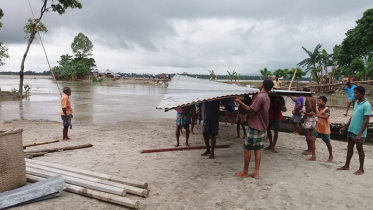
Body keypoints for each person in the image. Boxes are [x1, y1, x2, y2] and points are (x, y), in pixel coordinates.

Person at [234, 79, 273, 179]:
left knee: (247, 149)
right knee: (257, 150)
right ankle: (256, 172)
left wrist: (239, 101)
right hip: (263, 127)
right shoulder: (267, 97)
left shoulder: (260, 97)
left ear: (263, 85)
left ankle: (245, 171)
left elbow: (251, 110)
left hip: (255, 126)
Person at [338, 86, 372, 175]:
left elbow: (366, 121)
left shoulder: (367, 105)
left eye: (356, 93)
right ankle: (346, 165)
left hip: (359, 132)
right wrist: (345, 127)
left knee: (360, 149)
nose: (354, 95)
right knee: (349, 148)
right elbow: (353, 116)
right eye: (354, 93)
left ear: (362, 94)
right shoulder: (356, 102)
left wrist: (359, 134)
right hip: (351, 129)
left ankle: (361, 169)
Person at [307, 96, 333, 162]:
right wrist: (304, 113)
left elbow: (326, 116)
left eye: (319, 101)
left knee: (328, 143)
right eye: (317, 101)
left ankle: (331, 155)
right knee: (312, 139)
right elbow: (311, 114)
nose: (317, 102)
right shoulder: (316, 108)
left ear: (324, 102)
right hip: (317, 127)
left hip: (325, 129)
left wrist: (316, 115)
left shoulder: (327, 109)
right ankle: (313, 156)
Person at [300, 88, 316, 155]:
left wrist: (304, 116)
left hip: (309, 117)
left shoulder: (308, 98)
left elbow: (309, 108)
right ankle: (310, 149)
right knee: (310, 134)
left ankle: (310, 150)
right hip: (313, 117)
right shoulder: (313, 98)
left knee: (307, 134)